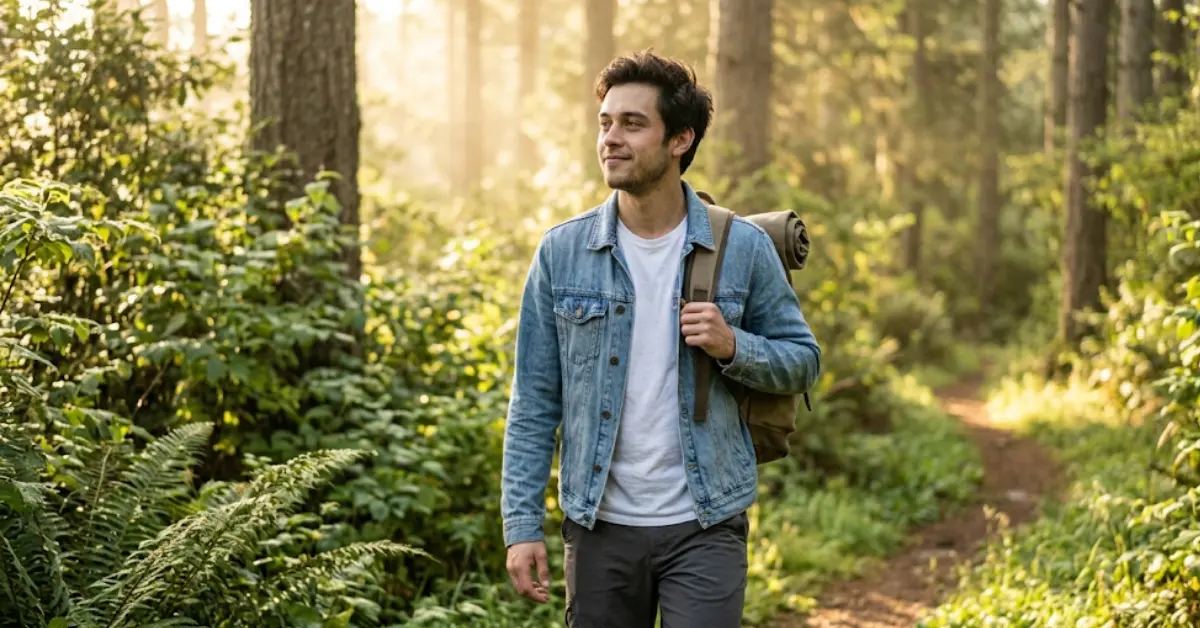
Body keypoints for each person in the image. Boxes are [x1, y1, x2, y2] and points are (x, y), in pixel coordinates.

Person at [500, 50, 821, 628]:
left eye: (632, 124)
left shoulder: (742, 247)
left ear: (680, 139)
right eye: (605, 123)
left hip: (706, 523)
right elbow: (533, 402)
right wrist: (521, 526)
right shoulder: (562, 252)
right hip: (598, 529)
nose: (611, 138)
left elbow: (804, 361)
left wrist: (734, 347)